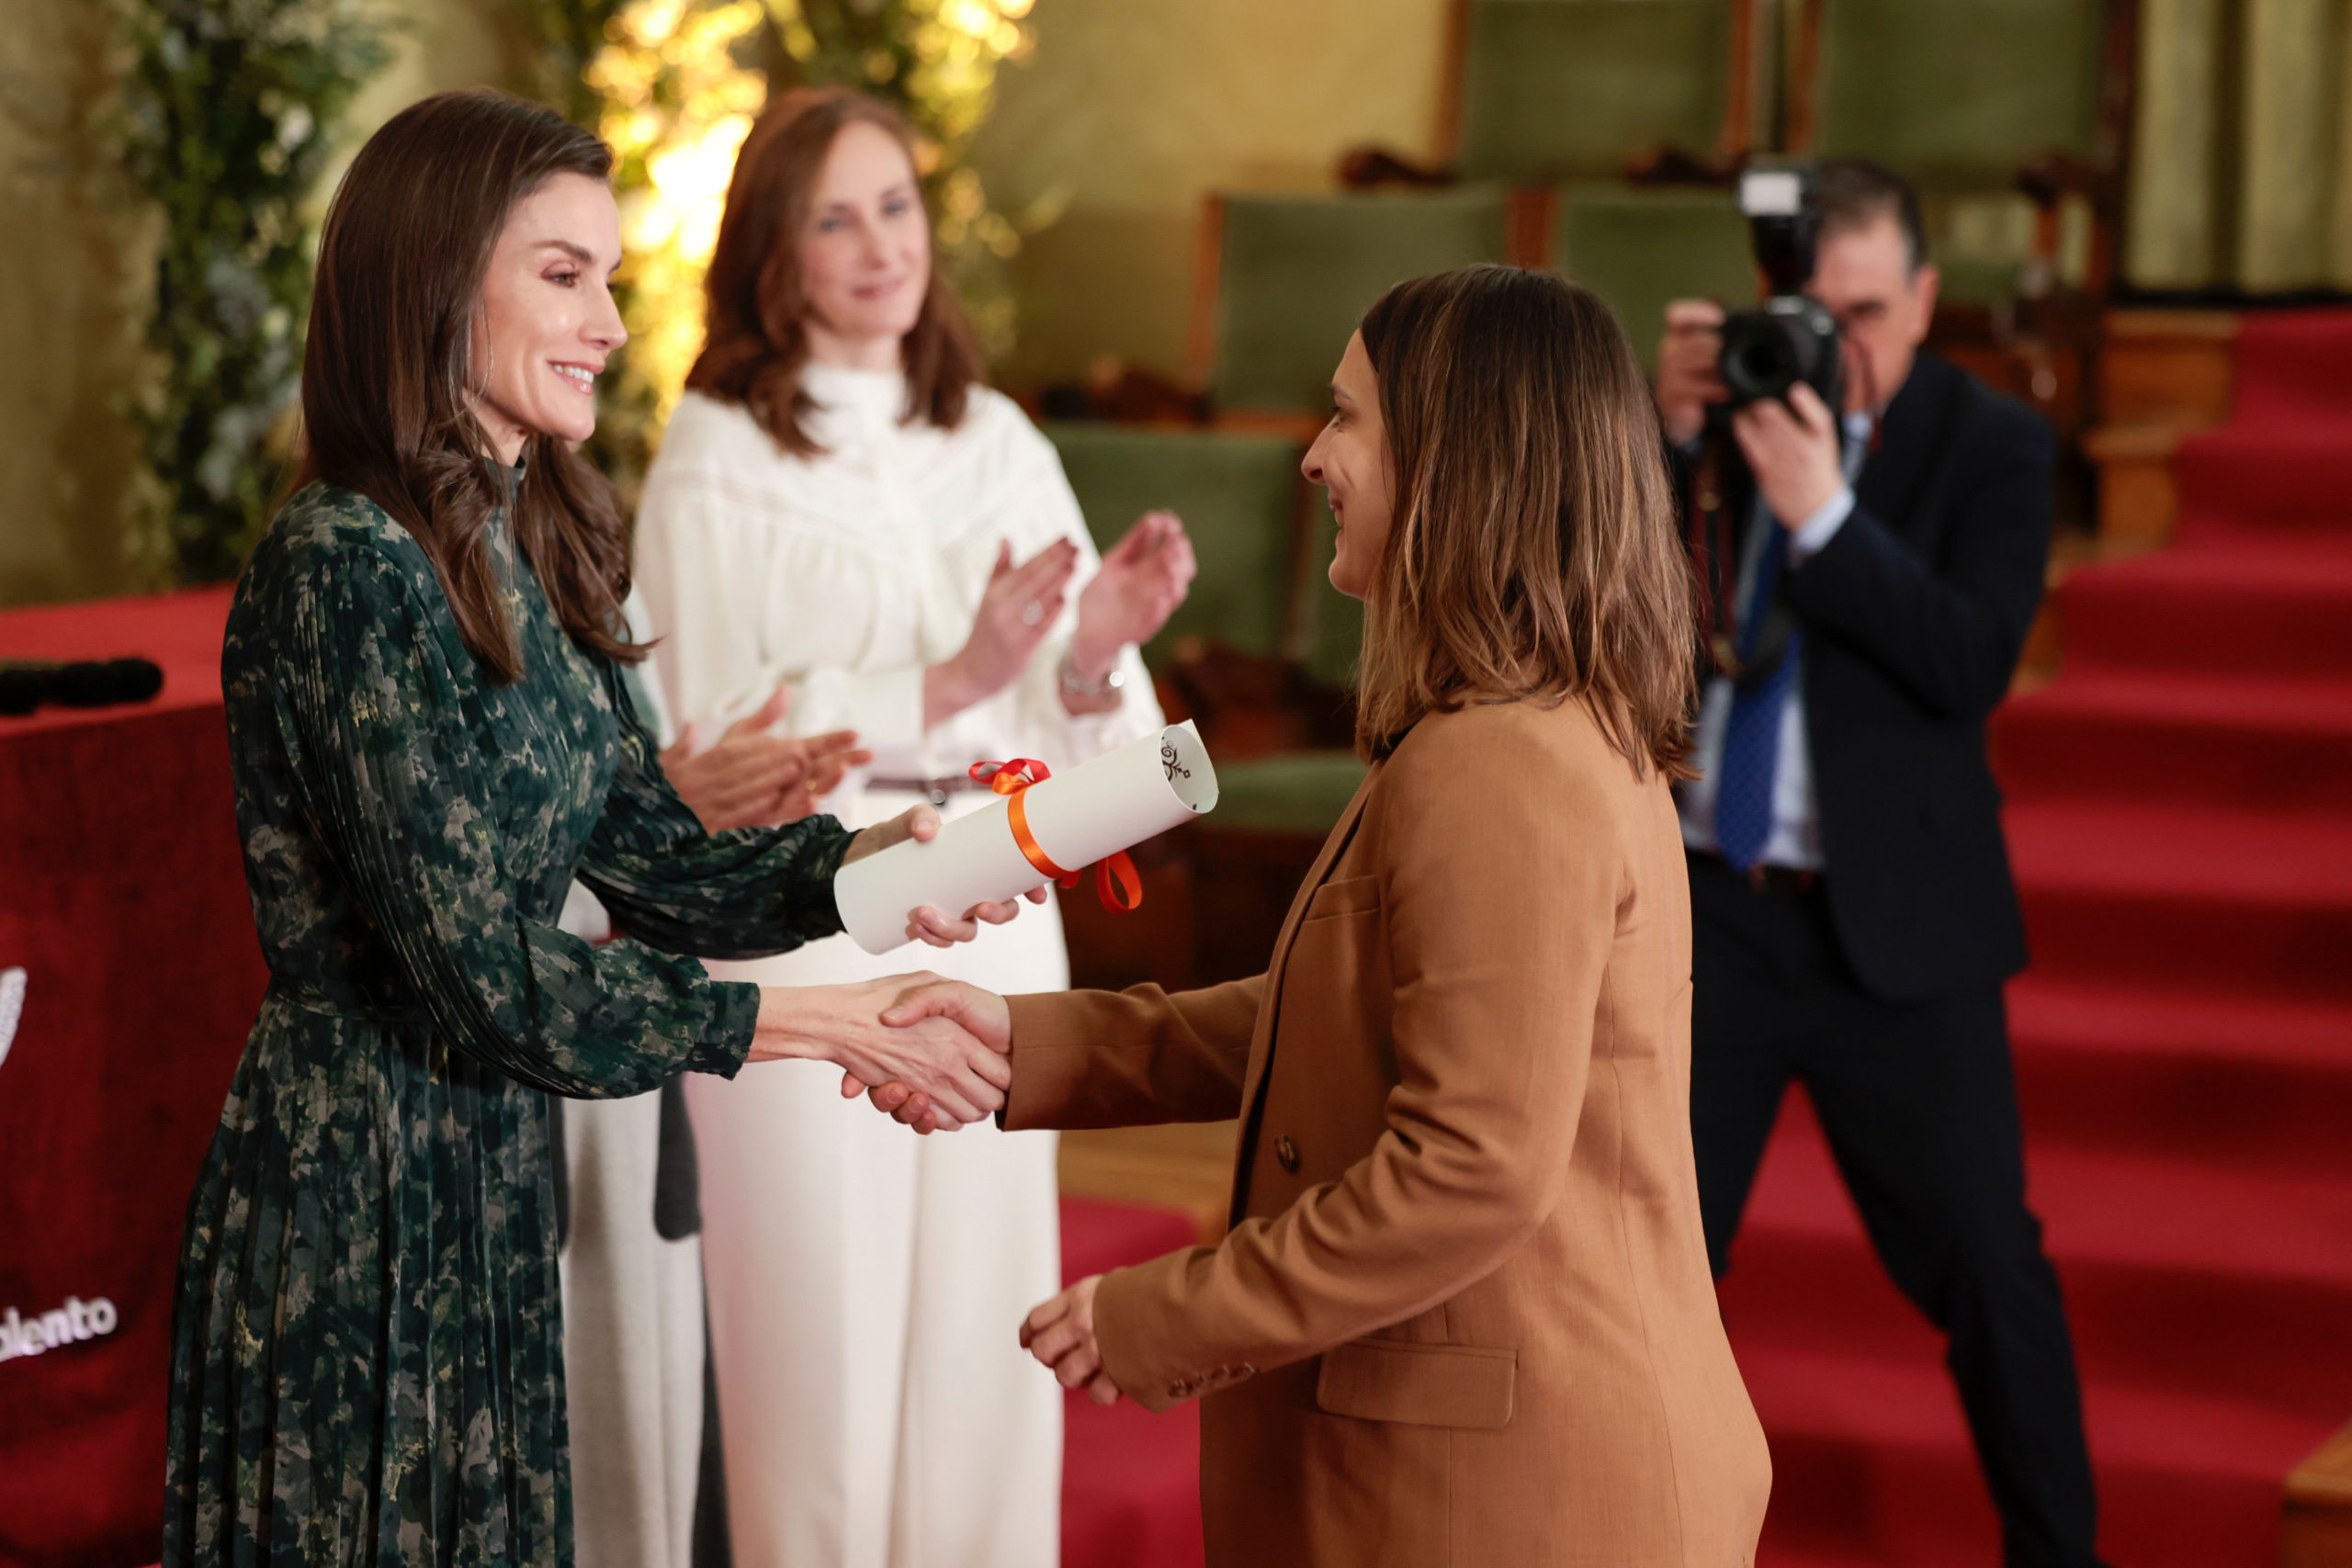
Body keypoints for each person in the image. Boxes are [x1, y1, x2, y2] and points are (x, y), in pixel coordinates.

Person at [164, 88, 1025, 1568]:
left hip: (495, 1168)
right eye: (564, 274)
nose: (612, 323)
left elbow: (662, 863)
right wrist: (825, 1025)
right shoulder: (344, 566)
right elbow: (484, 973)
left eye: (609, 279)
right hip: (359, 1182)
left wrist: (889, 870)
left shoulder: (534, 539)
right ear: (436, 284)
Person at [861, 265, 1774, 1566]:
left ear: (1459, 460)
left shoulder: (1500, 761)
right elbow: (1344, 1013)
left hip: (1520, 1487)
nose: (1311, 458)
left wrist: (1173, 1311)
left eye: (1346, 418)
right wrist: (1031, 1046)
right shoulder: (1529, 724)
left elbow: (1471, 1165)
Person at [630, 87, 1193, 1568]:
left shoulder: (995, 440)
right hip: (809, 920)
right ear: (772, 250)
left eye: (896, 205)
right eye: (834, 215)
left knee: (980, 1315)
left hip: (1001, 902)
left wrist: (1088, 651)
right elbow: (693, 742)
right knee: (816, 1321)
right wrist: (945, 682)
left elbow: (1104, 744)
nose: (879, 243)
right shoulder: (714, 459)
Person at [1654, 157, 2101, 1566]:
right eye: (1810, 311)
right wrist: (1668, 442)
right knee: (1647, 1259)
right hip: (1706, 911)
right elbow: (1618, 604)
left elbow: (1970, 663)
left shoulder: (1995, 445)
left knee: (1984, 1264)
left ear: (1923, 298)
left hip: (1891, 928)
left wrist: (1824, 521)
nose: (1833, 350)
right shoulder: (1726, 406)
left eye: (1866, 314)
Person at [553, 637, 867, 1568]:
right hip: (518, 1061)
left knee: (649, 1451)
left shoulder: (573, 537)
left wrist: (844, 866)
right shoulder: (361, 558)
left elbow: (656, 851)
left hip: (629, 1069)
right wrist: (657, 815)